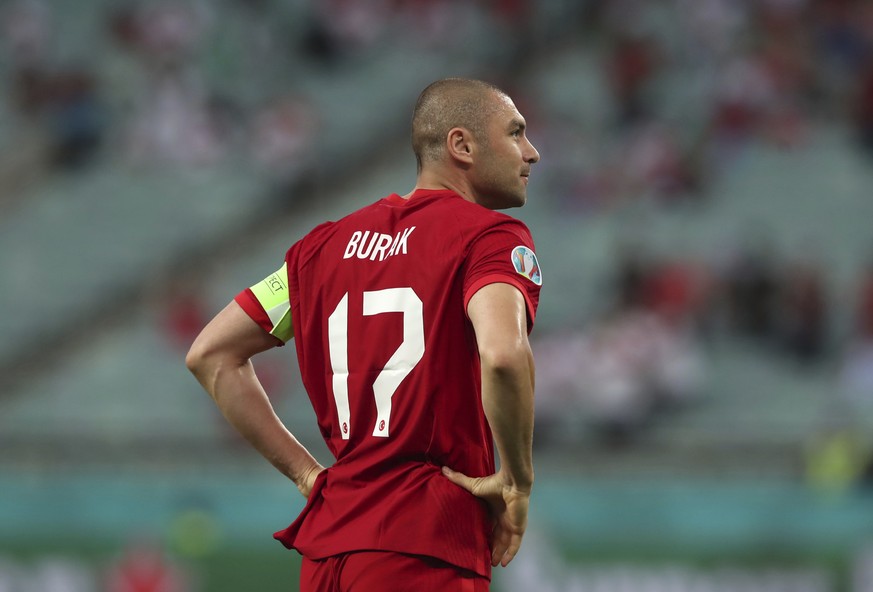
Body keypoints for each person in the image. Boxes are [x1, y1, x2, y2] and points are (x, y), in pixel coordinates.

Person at [186, 77, 542, 591]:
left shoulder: (319, 251)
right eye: (516, 133)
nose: (531, 153)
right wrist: (517, 481)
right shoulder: (488, 239)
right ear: (461, 146)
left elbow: (210, 354)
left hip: (331, 547)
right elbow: (504, 355)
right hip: (425, 539)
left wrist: (308, 476)